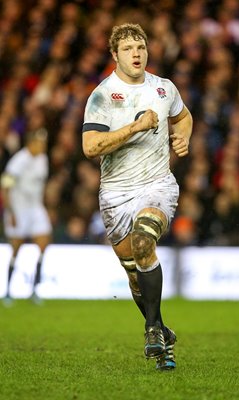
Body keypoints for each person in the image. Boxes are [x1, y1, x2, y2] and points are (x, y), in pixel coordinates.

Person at [82, 23, 193, 371]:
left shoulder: (164, 88)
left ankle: (150, 329)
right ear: (115, 55)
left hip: (157, 184)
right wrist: (134, 127)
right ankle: (161, 332)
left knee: (145, 242)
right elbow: (90, 147)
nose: (137, 54)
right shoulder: (103, 95)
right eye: (128, 48)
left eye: (141, 47)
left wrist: (183, 138)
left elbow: (184, 117)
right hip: (115, 194)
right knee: (135, 276)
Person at [1, 128, 52, 305]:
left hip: (35, 208)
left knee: (44, 243)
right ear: (31, 143)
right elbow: (5, 187)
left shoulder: (43, 159)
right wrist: (10, 212)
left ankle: (34, 290)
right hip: (18, 209)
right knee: (16, 248)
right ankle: (8, 291)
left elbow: (41, 184)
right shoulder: (19, 161)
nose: (43, 146)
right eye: (40, 142)